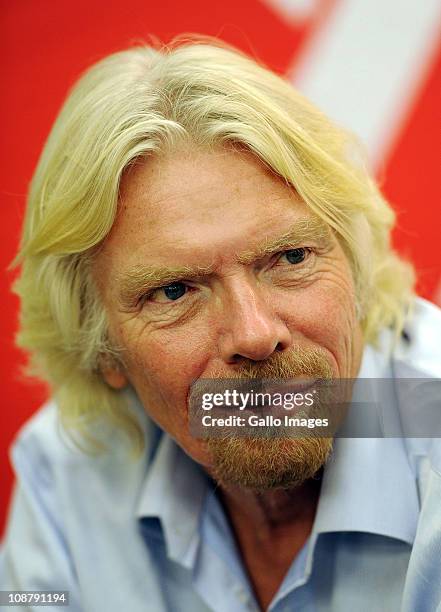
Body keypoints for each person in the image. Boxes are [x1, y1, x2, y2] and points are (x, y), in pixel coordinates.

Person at [1, 36, 441, 612]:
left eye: (291, 258)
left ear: (355, 268)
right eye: (174, 291)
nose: (256, 334)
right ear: (102, 350)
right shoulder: (70, 470)